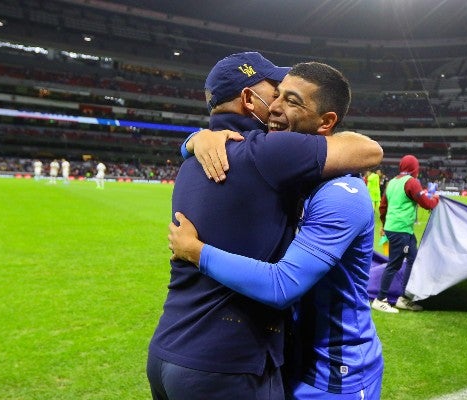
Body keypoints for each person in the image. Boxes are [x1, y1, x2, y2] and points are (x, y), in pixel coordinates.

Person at [147, 53, 383, 400]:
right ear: (247, 99)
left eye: (290, 100)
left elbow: (282, 284)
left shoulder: (339, 193)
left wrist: (197, 252)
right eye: (275, 94)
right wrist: (197, 137)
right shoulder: (272, 162)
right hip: (259, 363)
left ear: (325, 122)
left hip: (333, 371)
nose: (274, 106)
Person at [372, 155, 439, 313]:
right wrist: (435, 198)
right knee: (394, 264)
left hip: (400, 229)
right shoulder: (411, 182)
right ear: (415, 168)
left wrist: (384, 224)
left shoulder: (392, 182)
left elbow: (383, 207)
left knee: (412, 259)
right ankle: (380, 299)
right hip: (401, 230)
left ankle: (404, 298)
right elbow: (427, 203)